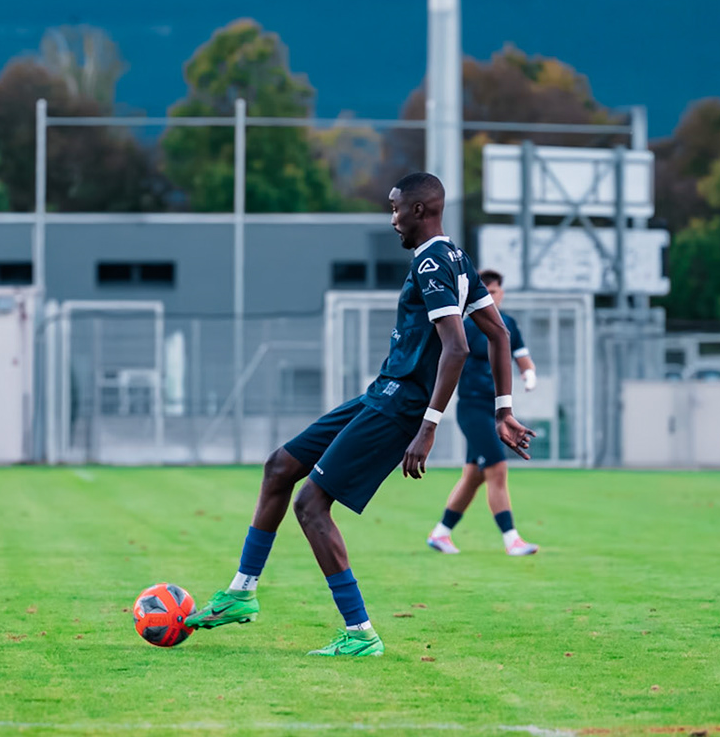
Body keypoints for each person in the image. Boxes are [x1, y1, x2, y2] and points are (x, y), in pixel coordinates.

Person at [183, 172, 533, 656]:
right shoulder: (456, 257)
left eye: (395, 208)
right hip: (381, 393)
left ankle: (360, 633)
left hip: (399, 405)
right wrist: (504, 410)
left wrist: (429, 426)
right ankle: (241, 592)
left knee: (311, 504)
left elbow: (457, 347)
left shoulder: (433, 262)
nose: (392, 219)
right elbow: (499, 334)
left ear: (418, 210)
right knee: (279, 467)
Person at [427, 269, 539, 556]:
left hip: (496, 410)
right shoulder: (466, 326)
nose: (491, 296)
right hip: (473, 408)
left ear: (502, 293)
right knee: (497, 468)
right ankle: (512, 539)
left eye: (495, 291)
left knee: (475, 475)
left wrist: (529, 375)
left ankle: (441, 533)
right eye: (485, 292)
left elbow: (522, 357)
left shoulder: (508, 324)